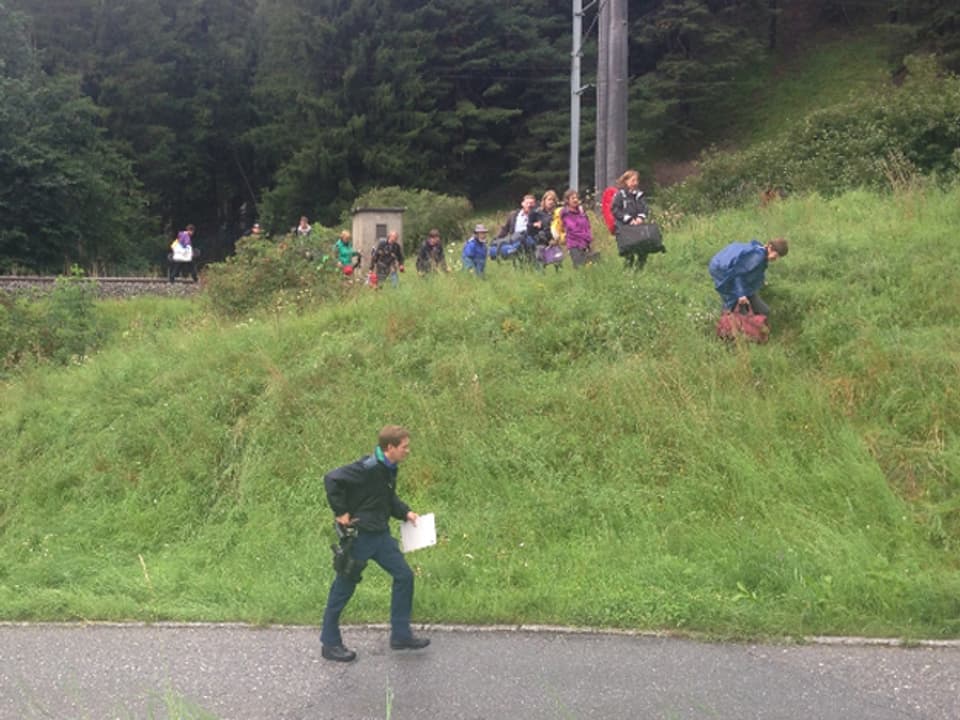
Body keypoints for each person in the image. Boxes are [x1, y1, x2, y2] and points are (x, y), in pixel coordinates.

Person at [320, 425, 429, 662]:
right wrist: (341, 512)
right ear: (390, 447)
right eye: (404, 447)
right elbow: (331, 479)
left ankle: (400, 636)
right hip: (360, 538)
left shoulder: (389, 468)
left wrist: (406, 513)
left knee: (404, 576)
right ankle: (329, 644)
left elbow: (386, 499)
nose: (407, 451)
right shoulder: (366, 469)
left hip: (380, 536)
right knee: (343, 588)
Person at [708, 237, 789, 316]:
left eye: (779, 257)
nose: (777, 259)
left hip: (724, 266)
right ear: (770, 247)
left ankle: (733, 312)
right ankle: (727, 316)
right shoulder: (757, 257)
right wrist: (741, 295)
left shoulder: (759, 250)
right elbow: (737, 274)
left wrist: (761, 280)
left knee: (763, 310)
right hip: (721, 269)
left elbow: (752, 271)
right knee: (733, 301)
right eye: (777, 255)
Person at [611, 170, 654, 269]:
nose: (635, 183)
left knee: (643, 252)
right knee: (629, 254)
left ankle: (639, 272)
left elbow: (645, 208)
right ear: (626, 181)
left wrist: (640, 217)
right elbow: (615, 210)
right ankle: (627, 273)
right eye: (633, 180)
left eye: (636, 180)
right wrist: (628, 219)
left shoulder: (639, 195)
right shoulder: (620, 195)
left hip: (638, 227)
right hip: (624, 228)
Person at [494, 194, 544, 264]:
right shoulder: (513, 215)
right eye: (527, 203)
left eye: (531, 203)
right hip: (515, 242)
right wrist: (497, 239)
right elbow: (505, 229)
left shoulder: (538, 216)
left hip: (530, 244)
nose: (529, 205)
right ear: (522, 204)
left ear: (535, 205)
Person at [560, 189, 596, 268]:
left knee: (592, 264)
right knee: (579, 266)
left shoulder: (582, 212)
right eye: (573, 198)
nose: (576, 200)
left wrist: (589, 237)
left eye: (577, 198)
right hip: (574, 244)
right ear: (567, 200)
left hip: (585, 243)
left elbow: (587, 225)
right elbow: (572, 229)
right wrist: (586, 236)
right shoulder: (566, 213)